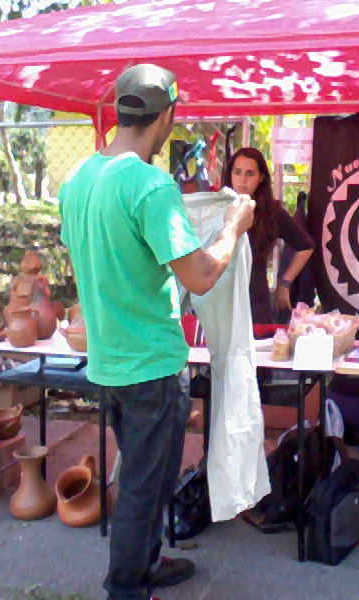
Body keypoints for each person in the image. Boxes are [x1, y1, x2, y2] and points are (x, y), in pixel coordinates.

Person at [58, 64, 255, 600]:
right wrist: (234, 225)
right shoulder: (149, 185)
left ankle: (144, 565)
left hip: (108, 362)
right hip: (151, 366)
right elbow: (202, 276)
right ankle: (126, 587)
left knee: (148, 479)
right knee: (146, 490)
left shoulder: (77, 179)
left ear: (121, 108)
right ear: (167, 114)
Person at [222, 148, 314, 324]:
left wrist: (284, 283)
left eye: (250, 173)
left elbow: (306, 245)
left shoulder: (269, 212)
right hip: (221, 302)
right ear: (230, 174)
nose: (242, 180)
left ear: (261, 177)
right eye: (237, 172)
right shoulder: (218, 206)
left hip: (255, 305)